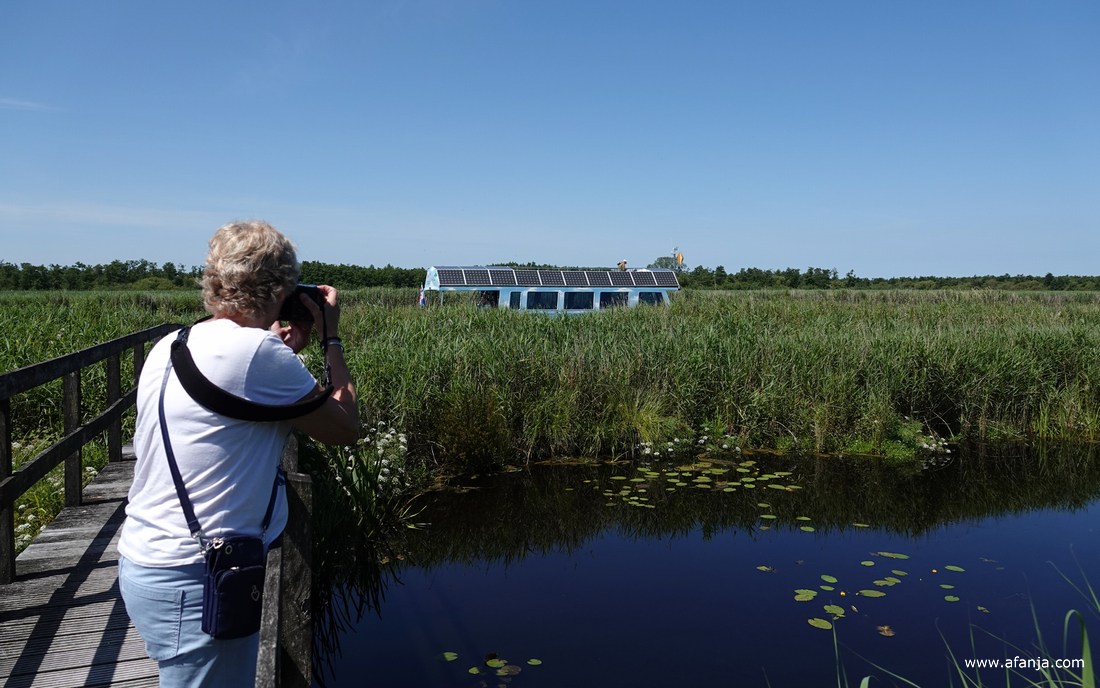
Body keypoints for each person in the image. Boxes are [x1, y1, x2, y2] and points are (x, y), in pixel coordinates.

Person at [117, 220, 358, 686]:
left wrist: (285, 349)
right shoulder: (257, 353)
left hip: (148, 562)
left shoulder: (173, 343)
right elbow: (345, 428)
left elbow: (235, 398)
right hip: (200, 575)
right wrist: (331, 338)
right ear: (282, 286)